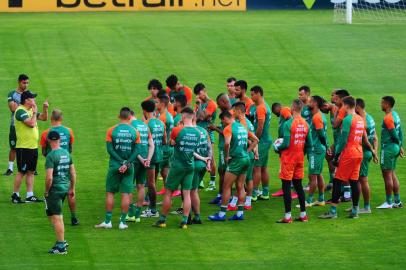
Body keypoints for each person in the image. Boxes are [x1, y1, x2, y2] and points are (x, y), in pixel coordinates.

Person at [319, 96, 371, 219]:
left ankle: (333, 211)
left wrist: (336, 155)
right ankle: (355, 211)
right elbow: (363, 137)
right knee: (354, 181)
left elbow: (343, 139)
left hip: (349, 153)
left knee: (337, 180)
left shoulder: (348, 119)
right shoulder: (360, 119)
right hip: (359, 152)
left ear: (347, 106)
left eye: (342, 105)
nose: (341, 108)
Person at [154, 107, 201, 229]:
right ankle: (184, 221)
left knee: (168, 192)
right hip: (190, 165)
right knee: (186, 193)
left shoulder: (176, 130)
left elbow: (171, 143)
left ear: (183, 117)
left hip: (177, 165)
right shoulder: (198, 133)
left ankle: (162, 220)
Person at [208, 110, 258, 221]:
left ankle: (221, 214)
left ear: (226, 118)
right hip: (245, 159)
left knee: (226, 186)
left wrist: (227, 155)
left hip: (236, 160)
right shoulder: (242, 127)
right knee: (240, 186)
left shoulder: (228, 129)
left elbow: (227, 143)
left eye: (223, 121)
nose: (223, 123)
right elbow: (255, 140)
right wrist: (248, 151)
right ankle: (240, 213)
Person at [95, 107, 140, 230]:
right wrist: (126, 163)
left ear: (119, 116)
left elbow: (110, 149)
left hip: (115, 165)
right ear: (130, 117)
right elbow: (137, 150)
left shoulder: (111, 130)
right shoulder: (135, 131)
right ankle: (122, 222)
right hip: (129, 167)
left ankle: (108, 221)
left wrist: (120, 162)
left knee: (110, 193)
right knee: (126, 194)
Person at [274, 99, 312, 223]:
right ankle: (303, 214)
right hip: (299, 158)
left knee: (286, 186)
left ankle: (288, 216)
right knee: (299, 186)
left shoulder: (288, 123)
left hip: (288, 158)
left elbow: (285, 143)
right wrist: (301, 152)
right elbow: (309, 144)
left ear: (293, 108)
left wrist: (277, 147)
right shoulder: (306, 124)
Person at [40, 109, 78, 225]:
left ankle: (57, 216)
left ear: (51, 118)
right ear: (61, 118)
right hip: (67, 161)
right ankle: (74, 217)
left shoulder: (46, 133)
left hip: (53, 164)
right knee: (70, 190)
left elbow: (43, 151)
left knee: (54, 189)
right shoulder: (69, 131)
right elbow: (71, 147)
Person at [11, 91, 49, 204]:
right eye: (32, 98)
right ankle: (15, 195)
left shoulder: (30, 110)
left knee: (31, 172)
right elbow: (31, 123)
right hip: (23, 147)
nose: (34, 100)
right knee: (21, 172)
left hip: (32, 147)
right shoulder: (20, 111)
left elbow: (43, 118)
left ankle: (29, 195)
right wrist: (35, 112)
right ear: (26, 100)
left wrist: (45, 108)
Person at [44, 131, 76, 254]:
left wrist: (47, 191)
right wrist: (72, 188)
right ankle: (60, 241)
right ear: (59, 140)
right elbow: (73, 173)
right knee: (52, 214)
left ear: (48, 140)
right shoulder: (66, 153)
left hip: (55, 190)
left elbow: (49, 178)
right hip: (65, 187)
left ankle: (61, 246)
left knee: (57, 217)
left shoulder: (51, 156)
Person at [126, 111, 154, 223]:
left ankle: (130, 214)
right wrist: (148, 159)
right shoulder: (144, 125)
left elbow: (133, 146)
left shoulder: (130, 126)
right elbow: (152, 144)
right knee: (141, 186)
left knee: (128, 186)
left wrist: (141, 160)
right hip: (145, 158)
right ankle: (138, 214)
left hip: (135, 160)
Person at [377, 96, 404, 209]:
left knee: (387, 174)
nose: (381, 105)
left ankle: (388, 202)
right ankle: (397, 201)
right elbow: (400, 132)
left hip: (388, 148)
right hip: (395, 147)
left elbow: (394, 134)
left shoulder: (388, 118)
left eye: (382, 103)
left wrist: (398, 144)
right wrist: (400, 146)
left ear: (387, 104)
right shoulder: (395, 115)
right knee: (392, 173)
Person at [141, 100, 166, 218]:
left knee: (151, 184)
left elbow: (144, 143)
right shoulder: (161, 123)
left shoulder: (146, 124)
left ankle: (153, 210)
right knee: (153, 183)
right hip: (159, 156)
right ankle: (151, 208)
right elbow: (164, 140)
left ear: (144, 110)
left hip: (150, 157)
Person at [231, 102, 258, 210]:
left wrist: (247, 151)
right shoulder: (247, 121)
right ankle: (248, 202)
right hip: (249, 156)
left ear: (238, 111)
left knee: (239, 180)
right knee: (249, 178)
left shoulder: (242, 123)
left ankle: (234, 203)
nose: (232, 113)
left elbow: (250, 139)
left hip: (244, 155)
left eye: (234, 111)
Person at [354, 98, 378, 213]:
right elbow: (375, 137)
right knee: (358, 180)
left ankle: (367, 207)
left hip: (364, 152)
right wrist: (375, 151)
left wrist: (373, 152)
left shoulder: (363, 121)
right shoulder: (370, 118)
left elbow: (365, 141)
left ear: (358, 107)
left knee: (363, 180)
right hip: (367, 152)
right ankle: (356, 205)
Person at [208, 93, 233, 202]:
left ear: (224, 102)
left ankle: (223, 196)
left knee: (224, 171)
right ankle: (221, 195)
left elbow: (229, 133)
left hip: (226, 147)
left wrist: (215, 128)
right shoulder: (228, 113)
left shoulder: (230, 115)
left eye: (219, 104)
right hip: (223, 146)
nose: (218, 106)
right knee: (222, 171)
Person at [303, 96, 328, 207]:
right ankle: (321, 199)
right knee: (318, 174)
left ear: (315, 103)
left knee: (312, 175)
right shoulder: (320, 116)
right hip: (318, 149)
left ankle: (308, 201)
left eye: (310, 101)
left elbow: (321, 134)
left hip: (316, 149)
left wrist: (325, 145)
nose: (308, 103)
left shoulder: (317, 117)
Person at [270, 103, 297, 199]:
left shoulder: (284, 110)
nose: (275, 114)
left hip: (287, 144)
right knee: (283, 167)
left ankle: (294, 190)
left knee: (289, 167)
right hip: (284, 142)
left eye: (274, 112)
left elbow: (290, 120)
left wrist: (282, 141)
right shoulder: (282, 113)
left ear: (277, 108)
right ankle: (284, 189)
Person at [4, 74, 29, 176]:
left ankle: (29, 167)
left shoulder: (29, 94)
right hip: (14, 125)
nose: (26, 85)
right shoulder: (12, 94)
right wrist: (24, 106)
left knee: (27, 147)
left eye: (27, 83)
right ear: (19, 82)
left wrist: (19, 105)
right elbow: (13, 109)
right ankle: (10, 168)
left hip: (26, 125)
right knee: (13, 147)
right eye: (24, 83)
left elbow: (31, 108)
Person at [194, 83, 218, 190]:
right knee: (199, 156)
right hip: (199, 133)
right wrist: (199, 110)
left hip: (208, 134)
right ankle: (200, 180)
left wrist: (199, 108)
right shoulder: (199, 104)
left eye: (200, 93)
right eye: (197, 95)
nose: (199, 96)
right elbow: (195, 117)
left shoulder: (212, 104)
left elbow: (202, 117)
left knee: (210, 157)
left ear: (204, 90)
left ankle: (212, 182)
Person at [250, 86, 272, 201]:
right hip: (265, 140)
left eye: (252, 94)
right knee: (263, 168)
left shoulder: (261, 108)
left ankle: (254, 193)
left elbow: (260, 126)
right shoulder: (264, 106)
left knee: (256, 168)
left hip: (261, 141)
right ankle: (266, 192)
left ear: (258, 94)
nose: (251, 96)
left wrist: (255, 140)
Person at [156, 92, 178, 196]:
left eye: (157, 102)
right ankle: (168, 192)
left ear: (162, 104)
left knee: (153, 173)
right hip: (169, 148)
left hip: (163, 149)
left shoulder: (163, 118)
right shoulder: (168, 115)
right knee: (165, 171)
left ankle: (148, 199)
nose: (155, 104)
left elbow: (159, 135)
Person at [191, 119, 212, 224]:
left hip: (194, 164)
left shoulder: (189, 132)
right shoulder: (204, 131)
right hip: (203, 164)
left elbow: (190, 150)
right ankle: (193, 214)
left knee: (192, 191)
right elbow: (209, 147)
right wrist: (208, 162)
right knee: (195, 190)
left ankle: (196, 216)